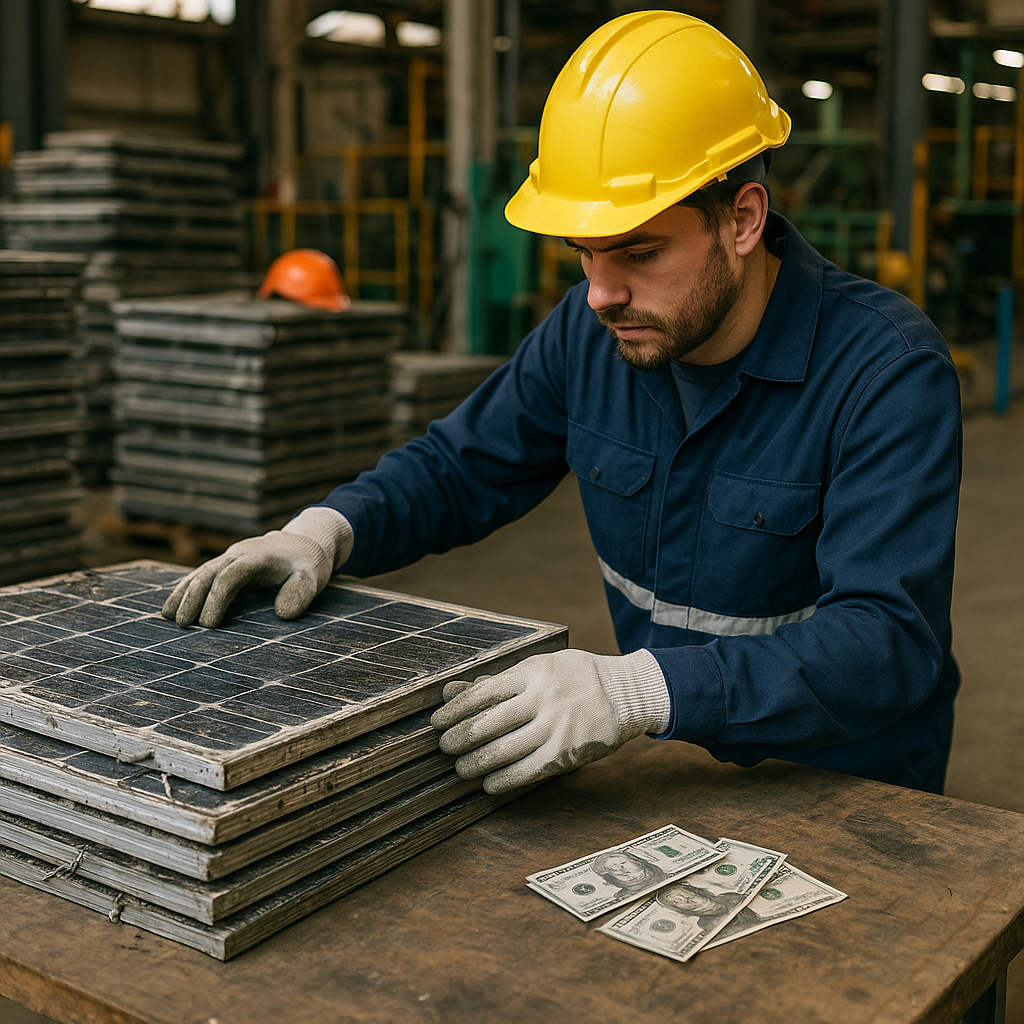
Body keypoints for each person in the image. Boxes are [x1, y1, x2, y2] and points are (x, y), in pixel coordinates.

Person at [162, 12, 961, 798]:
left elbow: (886, 643)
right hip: (680, 772)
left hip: (851, 793)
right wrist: (328, 530)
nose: (602, 294)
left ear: (742, 219)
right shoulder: (594, 337)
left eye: (641, 253)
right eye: (584, 253)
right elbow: (457, 468)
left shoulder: (884, 370)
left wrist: (636, 693)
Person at [590, 851, 668, 898]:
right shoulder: (623, 895)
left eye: (623, 863)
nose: (621, 869)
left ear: (637, 861)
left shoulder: (664, 875)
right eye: (613, 868)